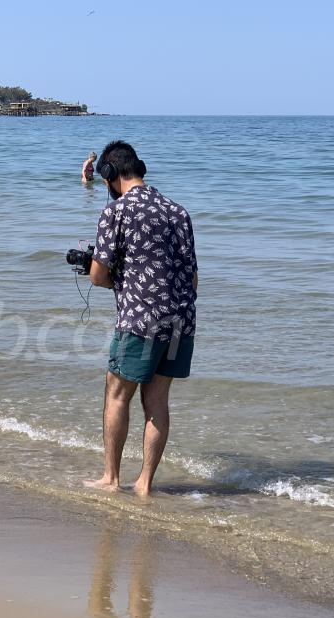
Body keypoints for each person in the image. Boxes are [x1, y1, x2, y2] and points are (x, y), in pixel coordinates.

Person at [85, 140, 197, 496]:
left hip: (140, 320)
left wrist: (119, 279)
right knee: (158, 401)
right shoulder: (178, 211)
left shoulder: (115, 213)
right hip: (181, 320)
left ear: (110, 175)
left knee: (117, 393)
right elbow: (192, 277)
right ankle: (145, 484)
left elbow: (97, 275)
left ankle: (111, 478)